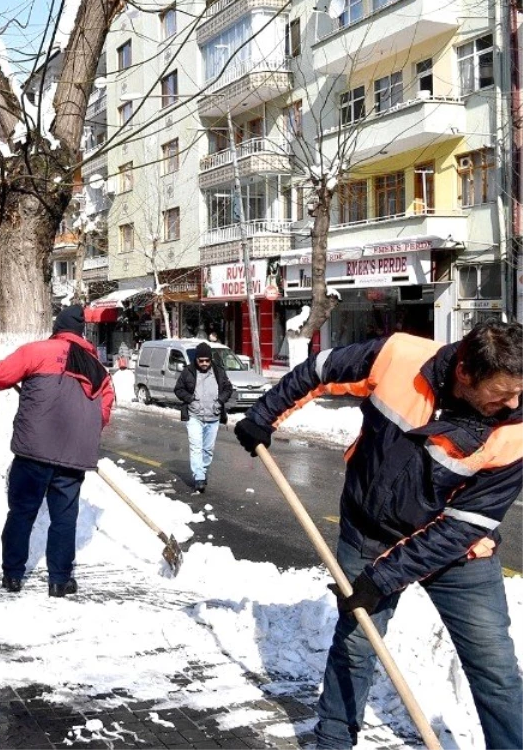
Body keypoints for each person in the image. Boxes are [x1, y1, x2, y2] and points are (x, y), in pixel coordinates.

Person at [234, 321, 523, 749]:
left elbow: (464, 524)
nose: (514, 403)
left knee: (494, 669)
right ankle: (333, 739)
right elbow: (320, 369)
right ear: (464, 372)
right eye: (502, 394)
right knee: (355, 644)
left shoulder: (516, 430)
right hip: (368, 531)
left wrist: (381, 579)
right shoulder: (400, 356)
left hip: (460, 551)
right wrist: (263, 415)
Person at [0, 305, 114, 597]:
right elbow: (103, 413)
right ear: (81, 333)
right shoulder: (98, 368)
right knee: (64, 518)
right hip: (74, 457)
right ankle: (59, 580)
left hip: (33, 451)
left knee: (21, 513)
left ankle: (13, 576)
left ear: (57, 328)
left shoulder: (37, 351)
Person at [173, 342, 234, 493]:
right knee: (196, 447)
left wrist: (220, 400)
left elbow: (228, 388)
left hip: (213, 417)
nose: (204, 363)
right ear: (196, 359)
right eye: (201, 361)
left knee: (207, 450)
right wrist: (190, 399)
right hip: (194, 416)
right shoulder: (188, 371)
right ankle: (199, 477)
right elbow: (178, 389)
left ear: (211, 359)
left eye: (207, 360)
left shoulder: (218, 371)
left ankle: (203, 470)